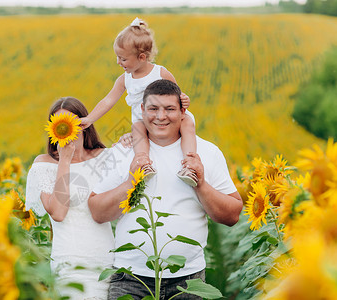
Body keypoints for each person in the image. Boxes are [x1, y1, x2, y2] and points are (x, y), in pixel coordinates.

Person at [88, 79, 243, 299]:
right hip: (131, 281)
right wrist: (132, 181)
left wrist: (201, 184)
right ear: (142, 110)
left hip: (187, 283)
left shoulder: (207, 153)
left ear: (183, 112)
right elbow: (97, 211)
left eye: (170, 109)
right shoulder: (123, 152)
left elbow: (232, 215)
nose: (161, 117)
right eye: (153, 109)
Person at [80, 17, 198, 186]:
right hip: (144, 122)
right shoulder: (124, 79)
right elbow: (108, 100)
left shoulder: (161, 73)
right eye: (117, 57)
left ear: (142, 57)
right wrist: (89, 119)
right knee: (137, 128)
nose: (118, 62)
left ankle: (190, 162)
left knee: (188, 122)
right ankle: (143, 162)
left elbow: (177, 95)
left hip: (167, 118)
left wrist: (184, 100)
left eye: (123, 59)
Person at [25, 97, 115, 300]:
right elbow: (58, 212)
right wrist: (64, 160)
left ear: (84, 125)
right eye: (60, 126)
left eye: (72, 124)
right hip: (71, 263)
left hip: (108, 261)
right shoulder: (44, 165)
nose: (67, 131)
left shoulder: (105, 158)